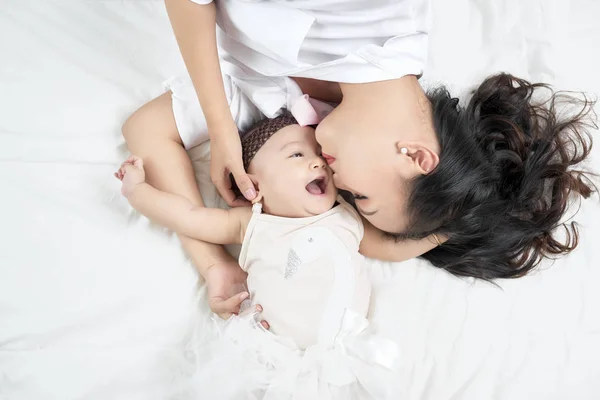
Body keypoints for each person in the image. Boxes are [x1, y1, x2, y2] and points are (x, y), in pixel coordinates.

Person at [122, 0, 596, 318]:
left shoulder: (287, 120)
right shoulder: (379, 14)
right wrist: (220, 124)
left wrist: (214, 266)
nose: (335, 179)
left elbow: (146, 131)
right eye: (361, 194)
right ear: (415, 155)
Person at [116, 115, 426, 399]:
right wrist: (139, 191)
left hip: (349, 355)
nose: (318, 162)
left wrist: (442, 234)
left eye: (319, 155)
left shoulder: (346, 216)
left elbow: (389, 248)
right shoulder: (251, 224)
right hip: (274, 355)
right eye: (297, 154)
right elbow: (187, 216)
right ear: (255, 186)